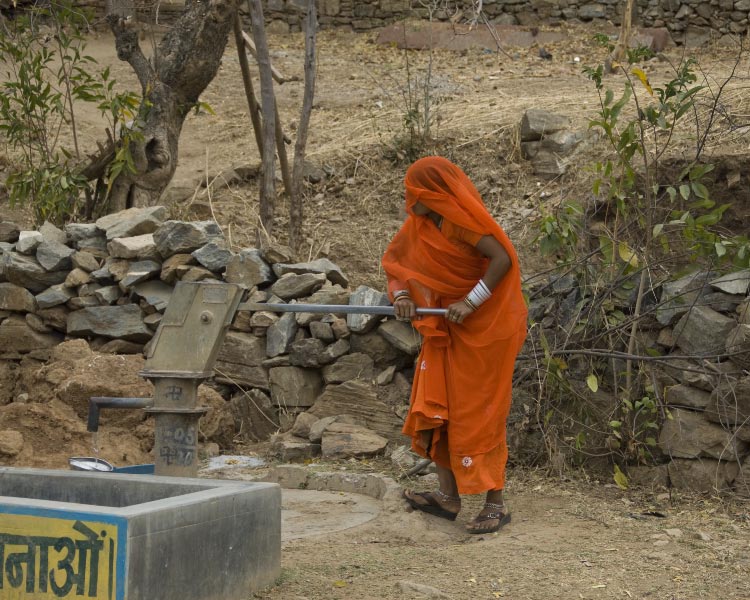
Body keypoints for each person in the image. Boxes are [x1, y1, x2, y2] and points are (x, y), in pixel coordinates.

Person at [381, 156, 528, 534]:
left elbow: (503, 259)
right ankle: (448, 498)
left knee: (481, 412)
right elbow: (398, 265)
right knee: (438, 407)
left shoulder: (464, 222)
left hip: (486, 331)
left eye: (414, 192)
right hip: (445, 329)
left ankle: (495, 503)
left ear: (433, 192)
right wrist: (400, 297)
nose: (408, 200)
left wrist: (470, 302)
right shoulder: (420, 224)